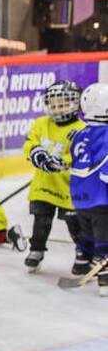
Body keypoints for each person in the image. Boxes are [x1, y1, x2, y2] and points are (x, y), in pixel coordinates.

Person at [23, 80, 88, 273]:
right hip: (43, 185)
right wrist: (36, 154)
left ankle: (83, 254)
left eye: (63, 104)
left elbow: (80, 154)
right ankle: (36, 249)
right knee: (41, 219)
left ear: (76, 104)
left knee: (74, 223)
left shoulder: (81, 128)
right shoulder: (41, 123)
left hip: (69, 187)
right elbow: (30, 143)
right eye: (54, 104)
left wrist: (63, 162)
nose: (58, 109)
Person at [69, 82, 108, 294]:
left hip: (79, 197)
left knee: (88, 233)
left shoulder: (80, 133)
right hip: (100, 198)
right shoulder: (107, 134)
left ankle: (83, 260)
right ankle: (105, 279)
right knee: (105, 239)